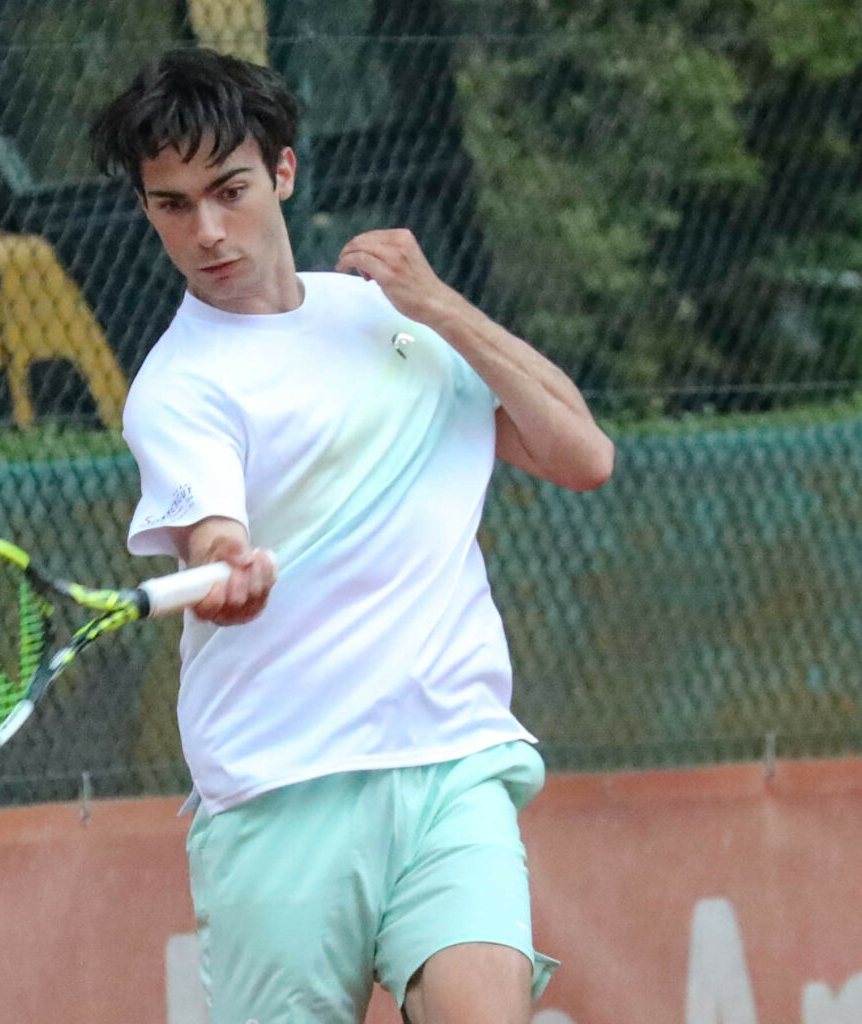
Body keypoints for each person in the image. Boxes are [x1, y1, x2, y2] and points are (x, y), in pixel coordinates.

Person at [92, 48, 614, 1024]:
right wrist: (226, 567)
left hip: (449, 757)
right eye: (171, 204)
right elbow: (215, 536)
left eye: (228, 189)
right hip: (281, 787)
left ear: (282, 172)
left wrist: (440, 306)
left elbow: (581, 452)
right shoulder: (179, 387)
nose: (206, 230)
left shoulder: (393, 317)